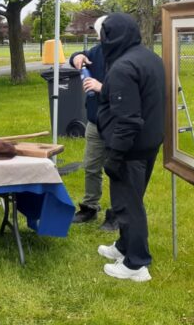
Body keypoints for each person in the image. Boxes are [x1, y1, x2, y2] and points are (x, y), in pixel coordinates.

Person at [95, 13, 165, 282]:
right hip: (148, 143)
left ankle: (136, 264)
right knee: (132, 199)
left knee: (127, 205)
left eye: (103, 35)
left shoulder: (123, 67)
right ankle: (124, 247)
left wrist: (115, 155)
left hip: (130, 148)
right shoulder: (149, 57)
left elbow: (128, 120)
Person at [68, 15, 118, 231]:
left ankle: (117, 213)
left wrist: (102, 87)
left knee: (117, 170)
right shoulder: (97, 52)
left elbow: (129, 90)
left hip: (118, 123)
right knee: (91, 166)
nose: (97, 36)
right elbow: (79, 56)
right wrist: (77, 57)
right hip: (95, 121)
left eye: (99, 32)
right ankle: (90, 207)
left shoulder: (126, 56)